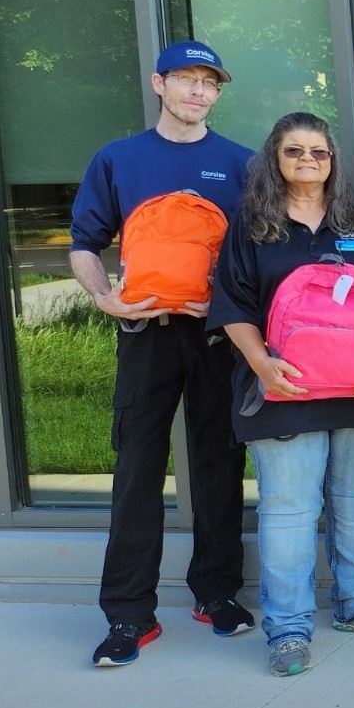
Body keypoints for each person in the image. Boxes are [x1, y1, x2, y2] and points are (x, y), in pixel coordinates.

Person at [71, 40, 256, 667]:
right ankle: (128, 615)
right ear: (159, 83)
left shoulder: (241, 163)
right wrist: (106, 299)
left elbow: (259, 253)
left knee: (218, 467)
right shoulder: (119, 159)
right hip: (145, 335)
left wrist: (236, 310)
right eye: (186, 79)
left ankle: (216, 593)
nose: (198, 91)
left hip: (214, 340)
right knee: (137, 473)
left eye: (209, 82)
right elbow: (83, 243)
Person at [210, 112, 354, 676]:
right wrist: (262, 364)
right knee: (291, 511)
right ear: (274, 158)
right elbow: (232, 306)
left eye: (319, 152)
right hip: (283, 388)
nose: (308, 161)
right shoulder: (251, 224)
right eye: (294, 151)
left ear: (333, 160)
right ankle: (289, 628)